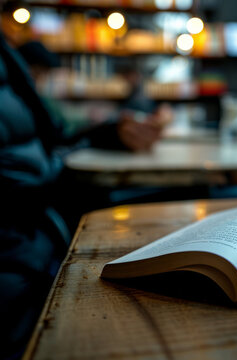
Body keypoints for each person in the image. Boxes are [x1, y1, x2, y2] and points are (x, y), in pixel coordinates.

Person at [0, 35, 165, 359]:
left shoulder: (5, 50)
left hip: (44, 224)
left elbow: (52, 140)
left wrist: (112, 133)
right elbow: (25, 177)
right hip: (26, 244)